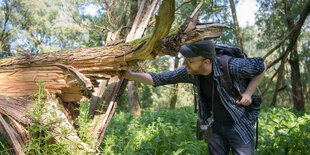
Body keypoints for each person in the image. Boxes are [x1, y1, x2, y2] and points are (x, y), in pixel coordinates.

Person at [122, 40, 266, 155]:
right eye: (185, 59)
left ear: (206, 62)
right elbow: (160, 78)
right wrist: (131, 75)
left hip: (239, 125)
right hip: (214, 126)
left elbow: (261, 65)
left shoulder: (231, 66)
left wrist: (248, 93)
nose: (185, 64)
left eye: (189, 60)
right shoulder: (190, 72)